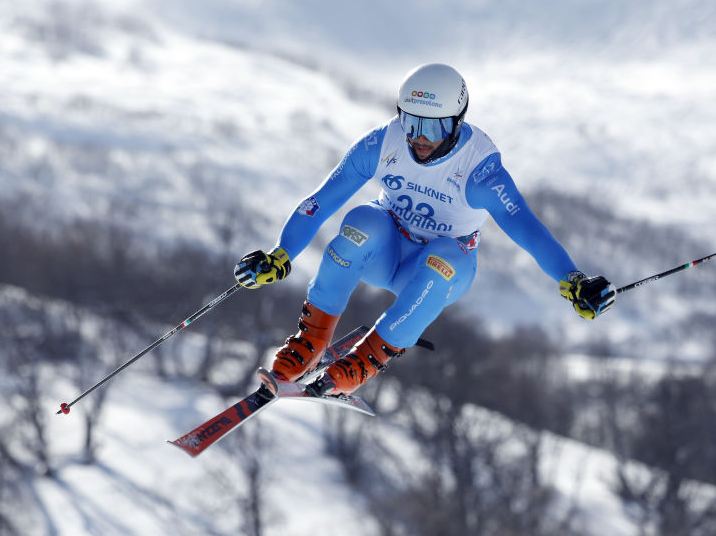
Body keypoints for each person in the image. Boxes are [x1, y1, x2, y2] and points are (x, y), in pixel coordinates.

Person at [234, 63, 614, 397]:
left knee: (443, 259)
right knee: (361, 223)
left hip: (439, 271)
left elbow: (528, 230)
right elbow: (321, 201)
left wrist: (573, 279)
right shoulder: (383, 143)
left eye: (434, 127)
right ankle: (312, 337)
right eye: (410, 121)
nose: (420, 137)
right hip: (384, 253)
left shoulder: (481, 170)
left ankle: (367, 360)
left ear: (458, 122)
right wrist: (280, 254)